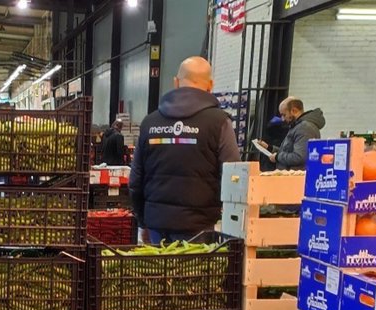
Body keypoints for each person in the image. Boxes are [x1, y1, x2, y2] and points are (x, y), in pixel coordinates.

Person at [130, 56, 239, 245]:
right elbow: (234, 177)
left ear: (176, 82)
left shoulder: (150, 122)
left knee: (157, 265)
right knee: (192, 266)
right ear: (210, 85)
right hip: (199, 227)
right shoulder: (220, 122)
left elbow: (135, 180)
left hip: (156, 224)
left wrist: (142, 221)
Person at [261, 97, 326, 170]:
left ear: (294, 111)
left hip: (296, 175)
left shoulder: (304, 128)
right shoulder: (298, 126)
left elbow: (299, 157)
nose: (282, 119)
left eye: (284, 115)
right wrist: (269, 148)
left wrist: (277, 157)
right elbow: (289, 150)